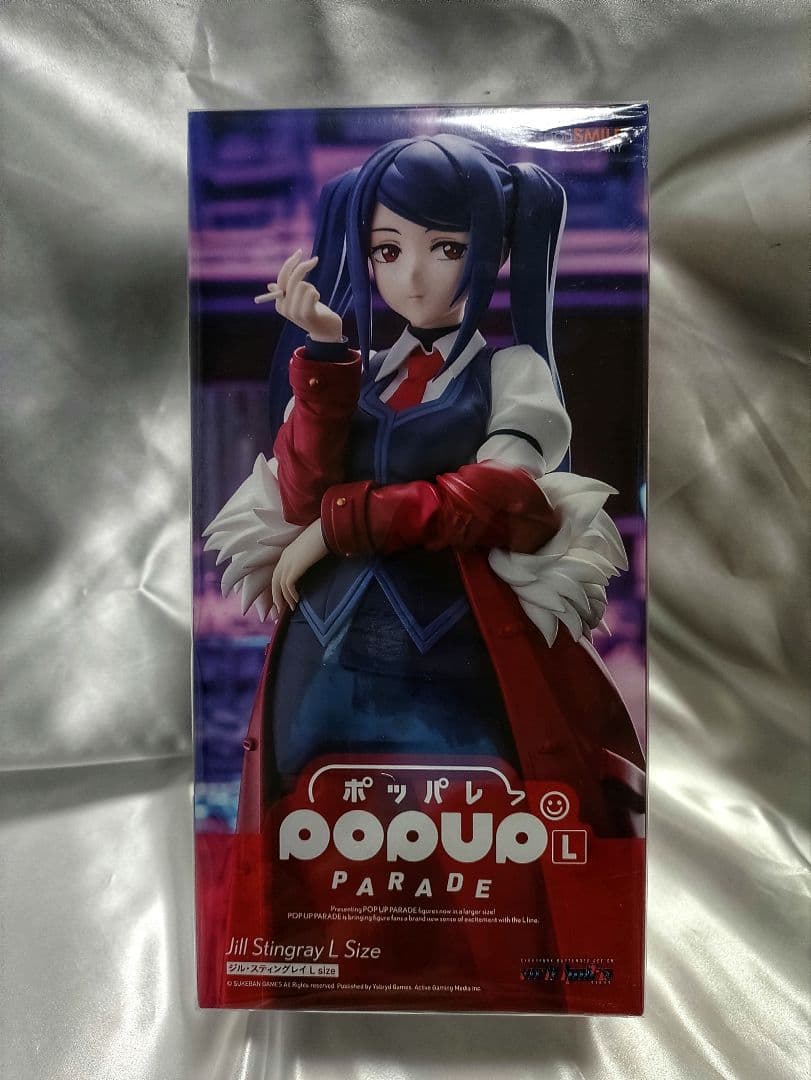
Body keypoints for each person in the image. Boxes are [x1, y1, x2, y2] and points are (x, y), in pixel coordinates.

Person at [204, 133, 644, 841]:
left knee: (477, 839)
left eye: (445, 248)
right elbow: (298, 495)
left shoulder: (511, 374)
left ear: (495, 251)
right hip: (323, 656)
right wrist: (324, 353)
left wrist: (339, 527)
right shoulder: (356, 371)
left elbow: (501, 499)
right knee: (312, 841)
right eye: (387, 250)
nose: (411, 276)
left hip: (454, 655)